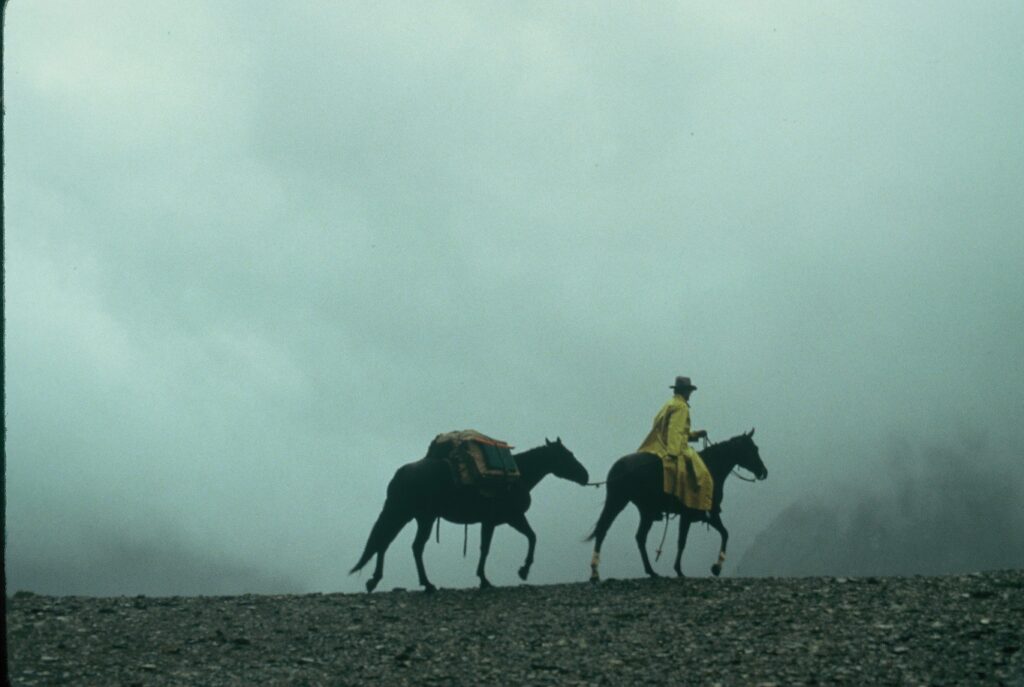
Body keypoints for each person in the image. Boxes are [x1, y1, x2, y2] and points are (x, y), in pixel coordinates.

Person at [637, 376, 713, 511]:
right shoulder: (681, 407)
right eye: (689, 391)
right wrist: (673, 453)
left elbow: (674, 430)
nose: (690, 394)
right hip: (674, 447)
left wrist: (694, 434)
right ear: (685, 391)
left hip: (658, 445)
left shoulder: (669, 404)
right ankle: (699, 507)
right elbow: (675, 431)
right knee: (703, 475)